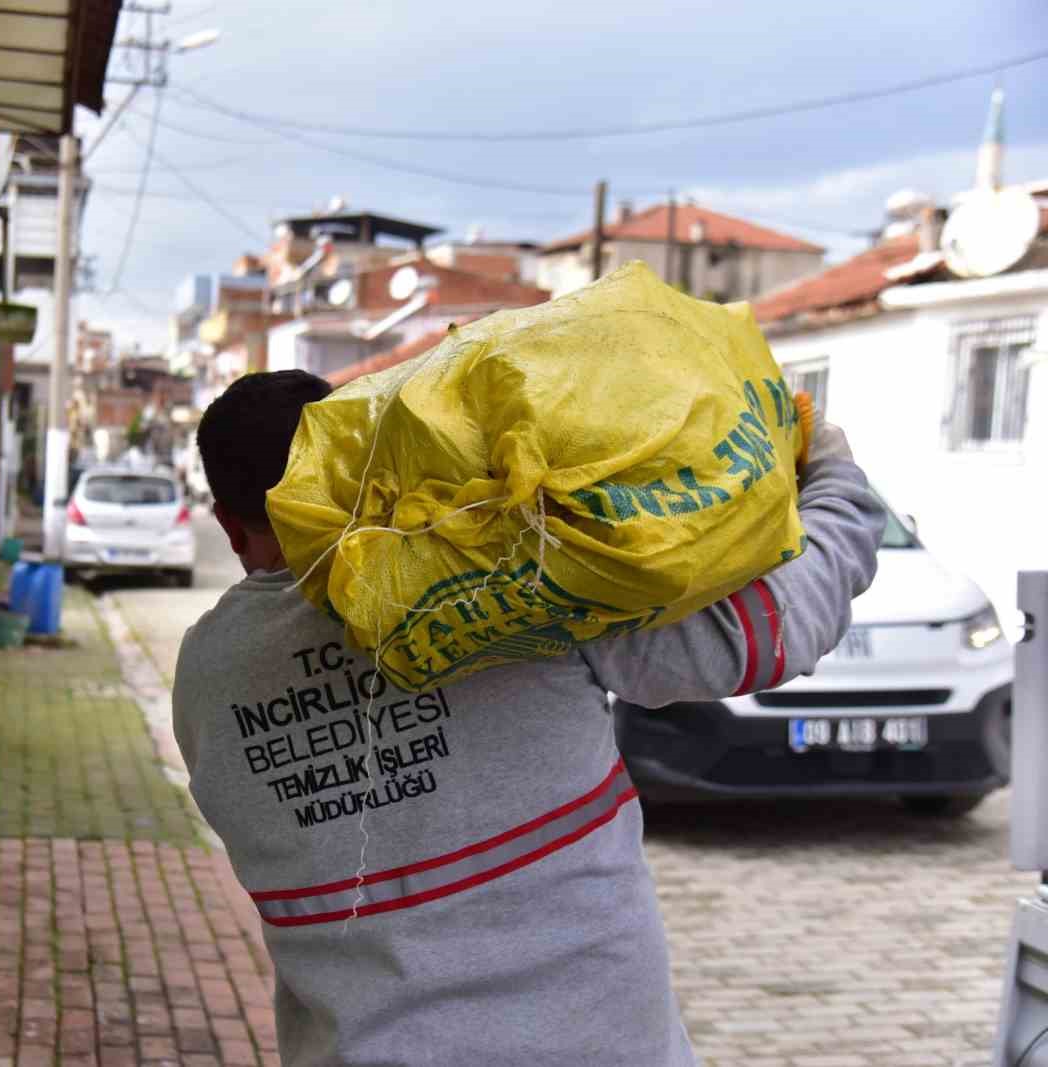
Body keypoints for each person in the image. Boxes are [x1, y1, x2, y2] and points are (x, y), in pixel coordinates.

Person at [171, 369, 882, 1067]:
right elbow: (765, 632)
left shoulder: (205, 674)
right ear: (365, 458)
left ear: (231, 529)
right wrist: (834, 478)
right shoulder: (513, 580)